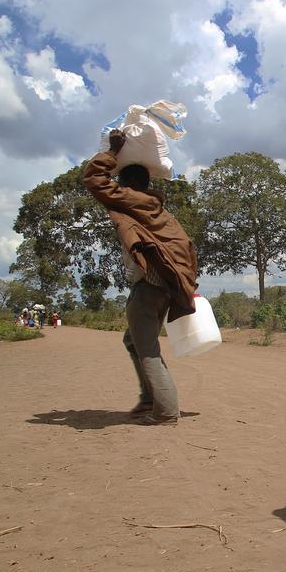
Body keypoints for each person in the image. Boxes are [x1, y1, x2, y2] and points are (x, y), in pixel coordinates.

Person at [83, 129, 198, 426]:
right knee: (133, 341)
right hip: (161, 289)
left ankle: (166, 413)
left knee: (148, 350)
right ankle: (149, 399)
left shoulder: (132, 200)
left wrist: (111, 152)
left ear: (126, 185)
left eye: (119, 183)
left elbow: (94, 181)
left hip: (147, 289)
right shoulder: (157, 209)